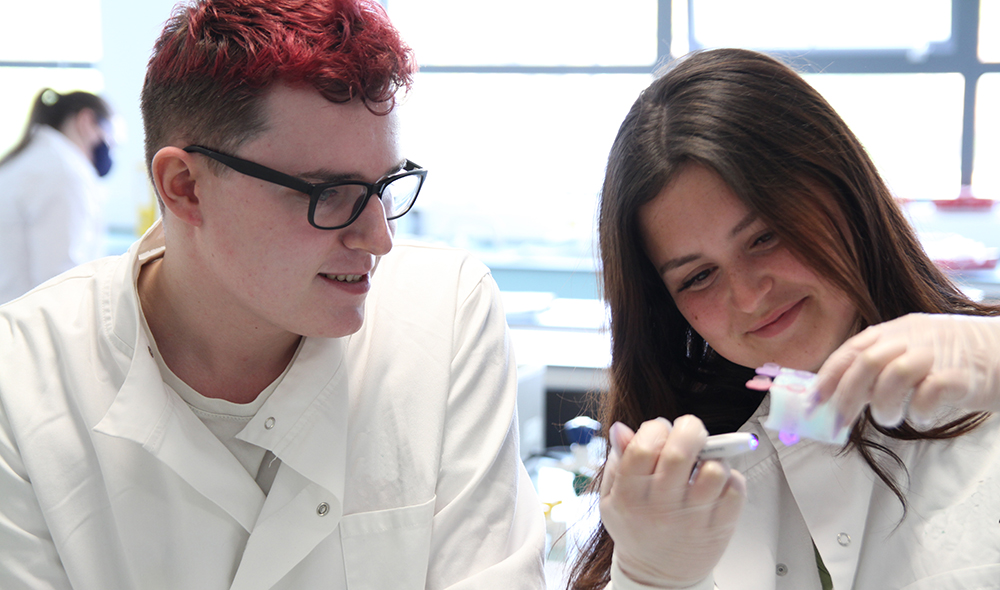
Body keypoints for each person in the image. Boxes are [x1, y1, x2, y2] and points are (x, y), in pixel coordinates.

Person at [0, 1, 545, 588]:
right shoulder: (21, 377)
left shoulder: (447, 314)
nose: (380, 238)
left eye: (386, 185)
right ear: (185, 187)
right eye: (331, 193)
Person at [567, 48, 1000, 590]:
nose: (749, 297)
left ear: (845, 193)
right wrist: (648, 579)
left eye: (765, 236)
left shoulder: (988, 384)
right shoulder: (691, 498)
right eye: (697, 277)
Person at [0, 88, 114, 303]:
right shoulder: (63, 172)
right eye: (110, 133)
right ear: (86, 121)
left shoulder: (35, 159)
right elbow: (63, 281)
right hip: (26, 326)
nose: (112, 145)